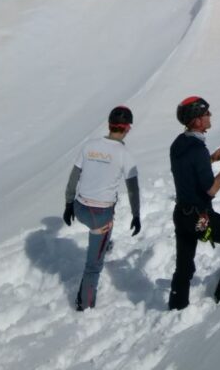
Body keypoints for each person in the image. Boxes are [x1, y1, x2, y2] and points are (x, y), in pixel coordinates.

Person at [168, 96, 220, 309]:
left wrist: (213, 158)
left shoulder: (178, 144)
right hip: (200, 217)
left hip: (181, 215)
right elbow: (211, 189)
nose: (210, 116)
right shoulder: (197, 149)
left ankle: (177, 307)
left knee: (184, 269)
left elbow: (190, 167)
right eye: (206, 113)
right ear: (196, 120)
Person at [63, 105, 141, 311]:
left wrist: (68, 204)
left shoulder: (89, 146)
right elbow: (133, 189)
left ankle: (104, 244)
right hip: (101, 215)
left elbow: (73, 177)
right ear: (127, 128)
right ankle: (85, 304)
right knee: (93, 266)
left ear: (109, 125)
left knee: (107, 221)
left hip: (80, 209)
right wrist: (136, 214)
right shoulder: (125, 154)